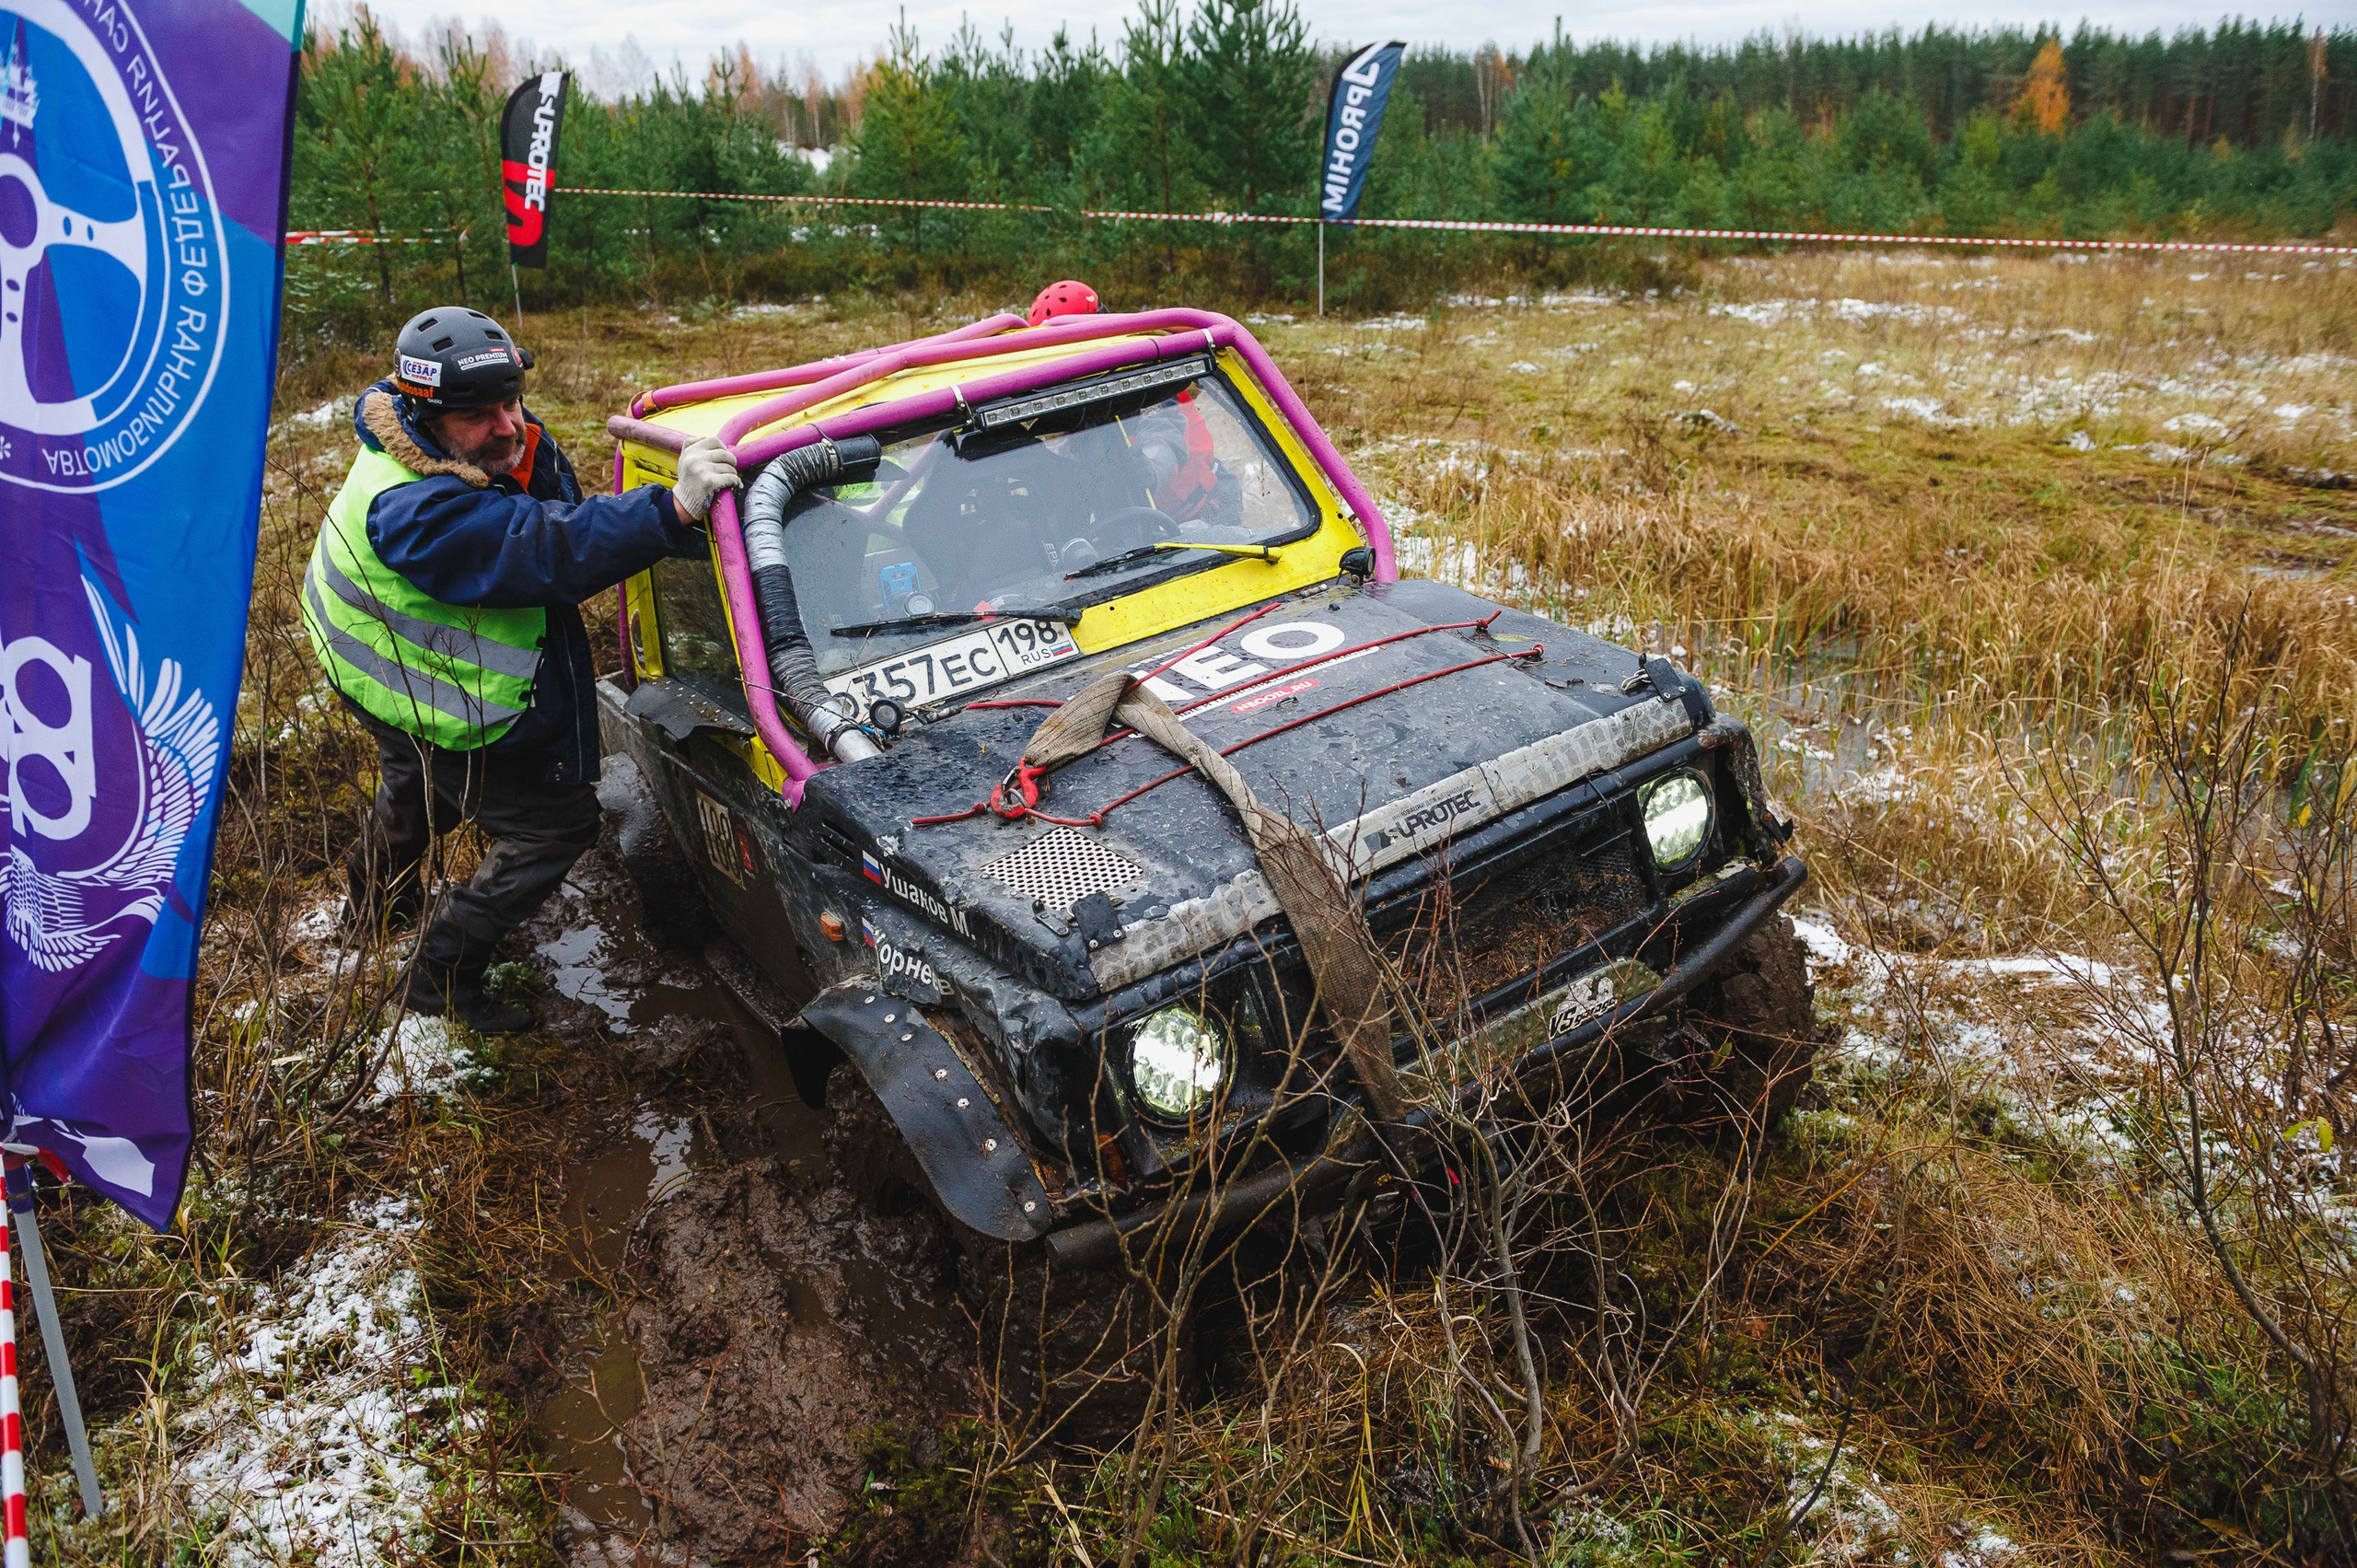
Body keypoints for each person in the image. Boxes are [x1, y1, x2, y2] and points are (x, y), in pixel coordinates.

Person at [300, 306, 739, 1032]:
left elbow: (546, 506)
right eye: (480, 415)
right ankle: (438, 975)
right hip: (397, 676)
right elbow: (544, 549)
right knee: (554, 826)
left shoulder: (435, 442)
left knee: (419, 787)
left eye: (512, 401)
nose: (507, 426)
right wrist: (672, 511)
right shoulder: (416, 510)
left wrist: (518, 460)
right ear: (425, 411)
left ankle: (372, 913)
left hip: (384, 665)